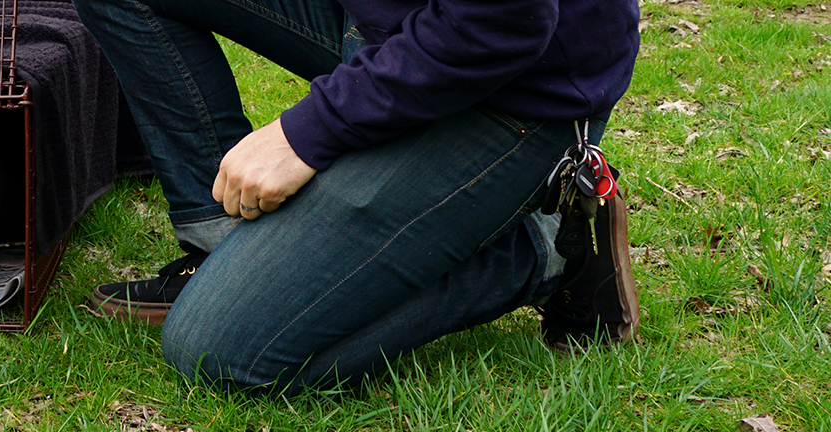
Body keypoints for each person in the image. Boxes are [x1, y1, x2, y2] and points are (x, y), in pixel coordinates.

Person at [71, 0, 641, 397]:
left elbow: (501, 25)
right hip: (386, 23)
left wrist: (311, 129)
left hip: (513, 88)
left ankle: (542, 255)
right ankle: (220, 243)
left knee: (219, 350)